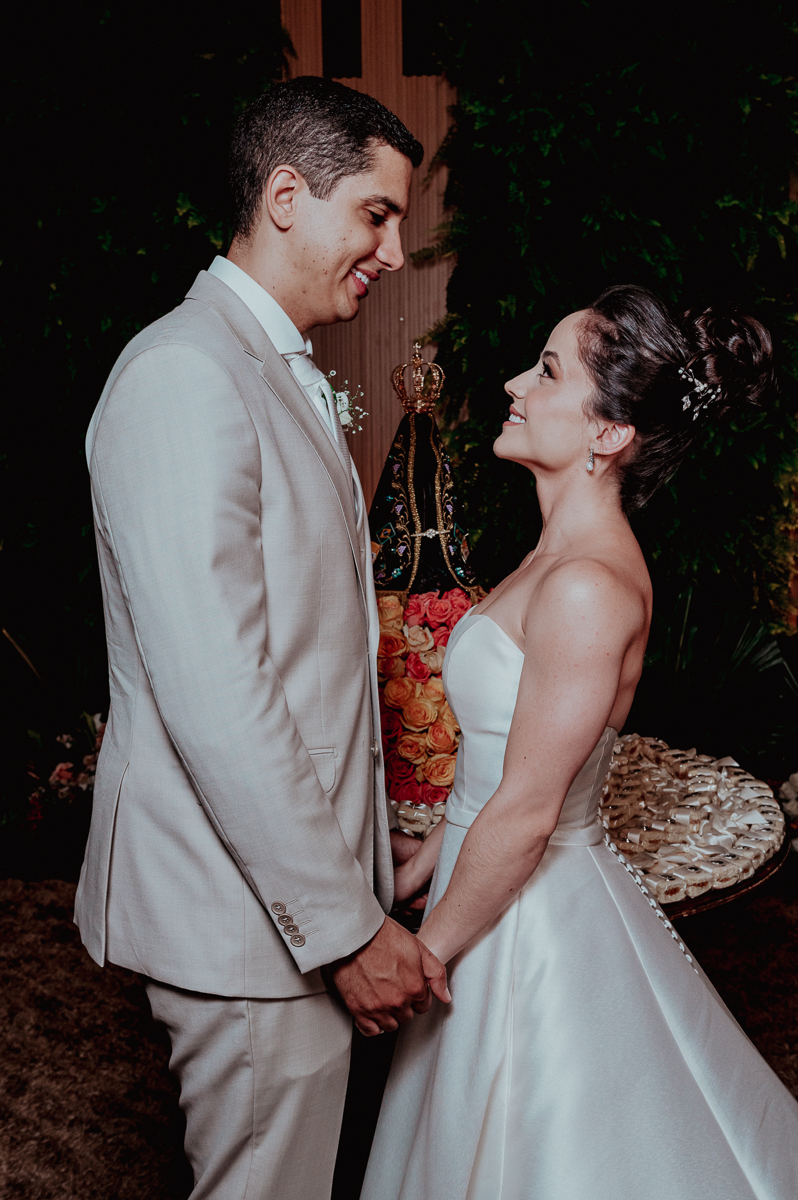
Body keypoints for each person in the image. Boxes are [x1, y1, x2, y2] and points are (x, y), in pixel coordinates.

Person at [74, 76, 448, 1200]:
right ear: (287, 195)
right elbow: (219, 690)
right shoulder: (186, 375)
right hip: (248, 927)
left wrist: (376, 863)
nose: (389, 250)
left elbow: (307, 656)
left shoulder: (271, 365)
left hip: (289, 896)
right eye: (375, 215)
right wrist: (343, 930)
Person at [361, 285, 798, 1200]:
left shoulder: (590, 585)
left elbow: (528, 809)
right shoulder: (553, 555)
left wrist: (421, 956)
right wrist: (420, 863)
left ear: (609, 436)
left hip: (529, 926)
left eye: (548, 371)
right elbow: (507, 761)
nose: (516, 383)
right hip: (486, 887)